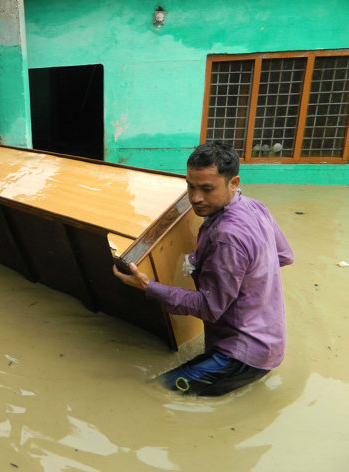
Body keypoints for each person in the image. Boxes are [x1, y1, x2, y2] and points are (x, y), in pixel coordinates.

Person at [113, 141, 294, 396]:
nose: (196, 198)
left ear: (234, 182)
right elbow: (284, 256)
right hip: (269, 341)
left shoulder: (226, 238)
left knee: (153, 393)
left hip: (240, 356)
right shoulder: (255, 207)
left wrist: (149, 286)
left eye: (207, 189)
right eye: (190, 186)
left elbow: (209, 307)